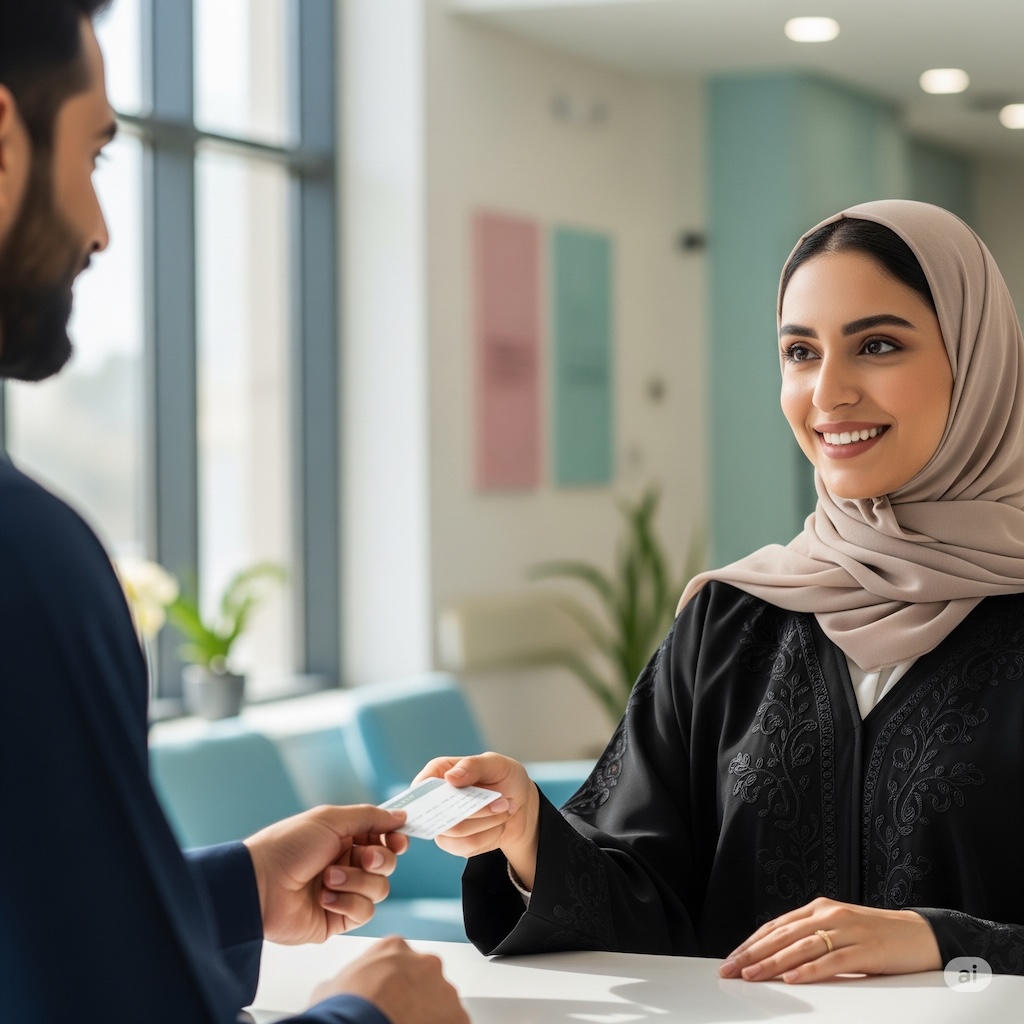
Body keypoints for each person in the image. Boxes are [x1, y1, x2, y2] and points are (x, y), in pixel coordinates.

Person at [0, 3, 469, 1021]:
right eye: (93, 155)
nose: (97, 226)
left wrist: (234, 891)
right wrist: (372, 1015)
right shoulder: (26, 566)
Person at [419, 198, 1024, 984]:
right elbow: (652, 901)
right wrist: (529, 834)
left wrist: (946, 943)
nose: (828, 393)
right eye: (801, 352)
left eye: (877, 345)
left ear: (977, 360)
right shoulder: (733, 619)